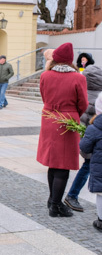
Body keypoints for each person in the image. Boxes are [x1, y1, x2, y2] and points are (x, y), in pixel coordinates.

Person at [37, 42, 88, 217]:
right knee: (63, 166)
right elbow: (83, 103)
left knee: (53, 163)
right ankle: (56, 205)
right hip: (67, 120)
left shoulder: (46, 75)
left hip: (49, 119)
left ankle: (52, 200)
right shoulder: (78, 78)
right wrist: (72, 114)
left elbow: (44, 97)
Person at [64, 64, 102, 212]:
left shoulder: (81, 92)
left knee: (88, 166)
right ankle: (72, 195)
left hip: (86, 137)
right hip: (95, 140)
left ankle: (73, 195)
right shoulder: (99, 97)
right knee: (88, 167)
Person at [79, 92, 102, 232]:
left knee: (101, 195)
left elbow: (84, 147)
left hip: (100, 169)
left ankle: (101, 220)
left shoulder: (95, 128)